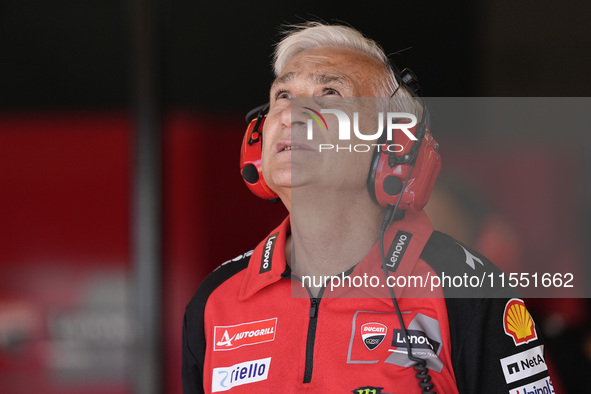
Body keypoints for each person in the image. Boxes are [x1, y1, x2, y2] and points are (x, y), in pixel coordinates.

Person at [182, 22, 553, 393]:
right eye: (283, 95)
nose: (293, 114)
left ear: (393, 147)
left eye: (330, 93)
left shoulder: (466, 290)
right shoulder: (216, 298)